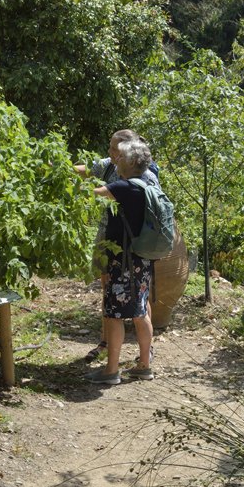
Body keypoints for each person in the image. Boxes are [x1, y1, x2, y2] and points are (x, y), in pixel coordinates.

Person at [75, 130, 158, 363]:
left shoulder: (141, 179)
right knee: (110, 291)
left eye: (114, 149)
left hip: (134, 248)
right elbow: (87, 169)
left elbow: (94, 193)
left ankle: (140, 354)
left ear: (126, 154)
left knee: (139, 300)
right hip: (109, 240)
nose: (109, 153)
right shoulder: (111, 165)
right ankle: (108, 344)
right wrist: (58, 167)